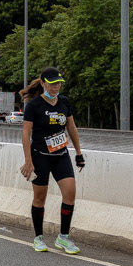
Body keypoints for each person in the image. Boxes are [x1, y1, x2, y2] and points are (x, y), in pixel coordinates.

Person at [19, 66, 84, 254]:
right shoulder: (34, 105)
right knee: (40, 198)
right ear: (43, 83)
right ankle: (38, 237)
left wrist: (78, 153)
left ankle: (63, 237)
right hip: (40, 156)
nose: (56, 87)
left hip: (61, 155)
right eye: (52, 84)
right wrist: (28, 161)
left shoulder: (64, 102)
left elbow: (71, 128)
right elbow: (26, 133)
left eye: (59, 84)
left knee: (70, 193)